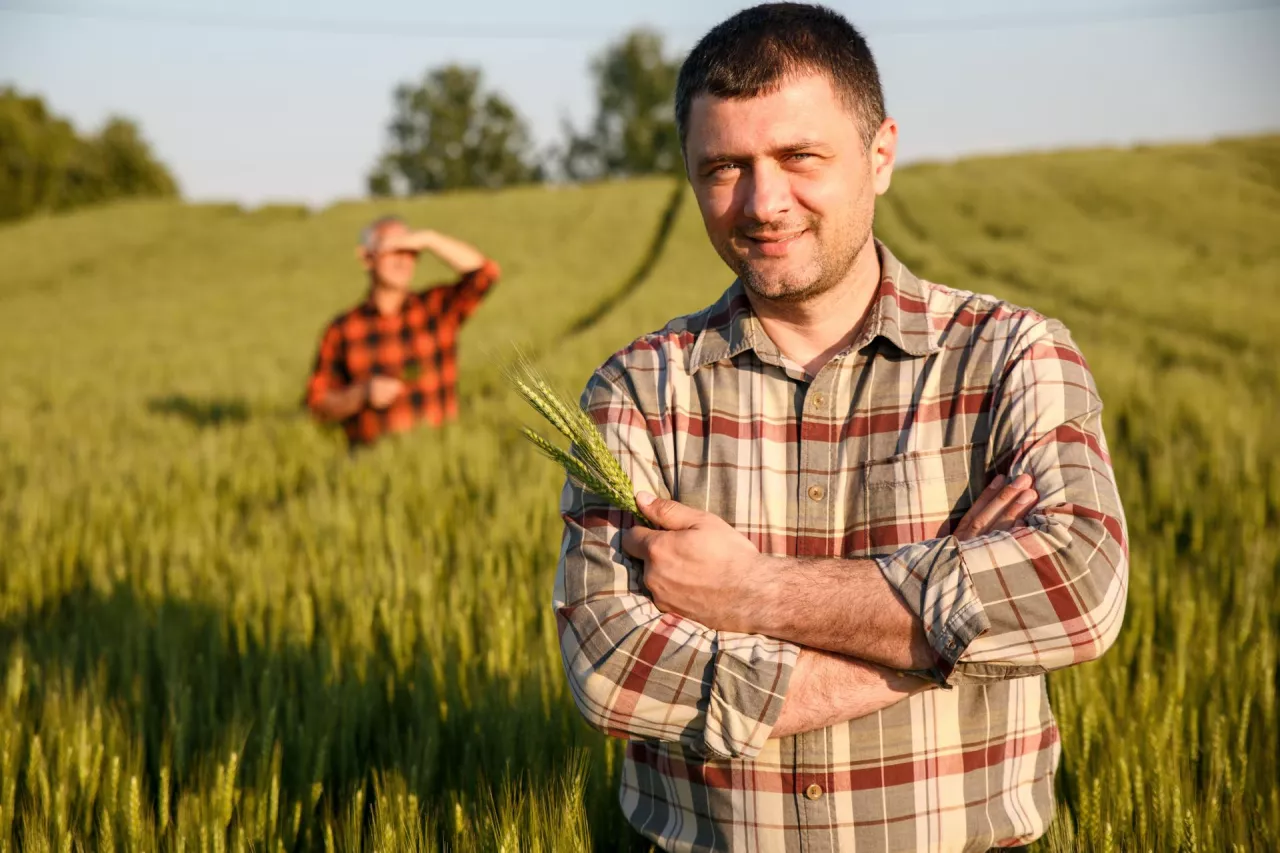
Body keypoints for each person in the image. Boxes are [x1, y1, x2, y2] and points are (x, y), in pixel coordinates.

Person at [554, 4, 1128, 851]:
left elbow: (1078, 591)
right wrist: (937, 633)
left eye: (798, 157)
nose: (762, 201)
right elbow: (611, 671)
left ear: (881, 153)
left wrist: (748, 592)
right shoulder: (636, 390)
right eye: (723, 168)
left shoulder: (1012, 355)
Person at [305, 217, 500, 446]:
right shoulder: (343, 330)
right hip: (375, 469)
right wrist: (361, 394)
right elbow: (317, 405)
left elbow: (485, 274)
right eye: (393, 250)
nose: (403, 261)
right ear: (366, 257)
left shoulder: (436, 309)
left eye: (410, 252)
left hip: (443, 455)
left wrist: (430, 239)